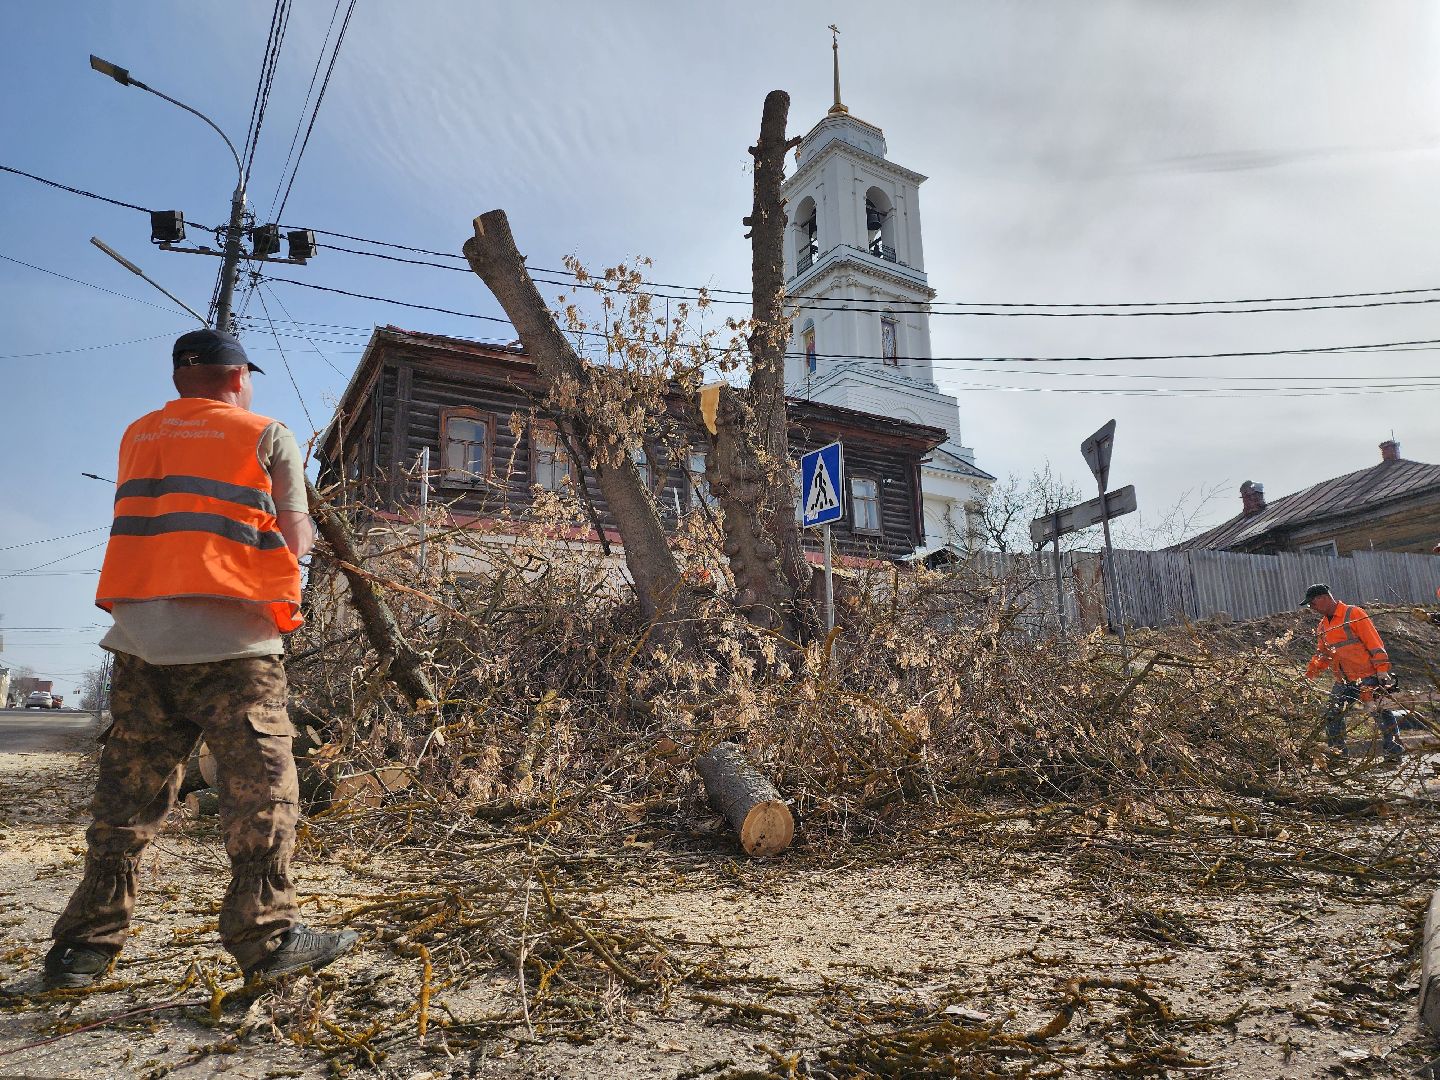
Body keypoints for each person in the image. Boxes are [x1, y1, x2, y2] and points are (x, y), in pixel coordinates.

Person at [43, 329, 356, 989]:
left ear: (181, 377)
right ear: (239, 376)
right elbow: (295, 535)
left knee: (130, 790)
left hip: (141, 638)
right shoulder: (267, 433)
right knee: (261, 787)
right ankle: (267, 941)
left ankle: (83, 948)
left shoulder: (138, 435)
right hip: (233, 640)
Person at [1300, 583, 1402, 761]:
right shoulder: (1323, 627)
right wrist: (1308, 677)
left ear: (1323, 598)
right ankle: (1338, 755)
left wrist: (1382, 671)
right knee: (1332, 715)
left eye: (1312, 604)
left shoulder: (1353, 614)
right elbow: (1323, 656)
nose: (1312, 608)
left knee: (1380, 714)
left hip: (1367, 677)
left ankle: (1393, 753)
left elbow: (1374, 644)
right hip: (1344, 681)